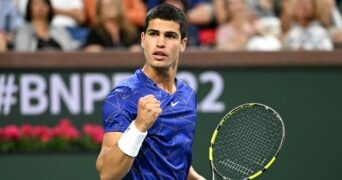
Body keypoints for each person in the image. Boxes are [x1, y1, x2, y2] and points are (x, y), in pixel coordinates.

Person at [96, 3, 204, 180]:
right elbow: (107, 173)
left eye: (170, 36)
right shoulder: (123, 95)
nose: (160, 43)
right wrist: (139, 127)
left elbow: (171, 158)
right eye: (154, 34)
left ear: (183, 44)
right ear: (143, 39)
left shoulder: (187, 95)